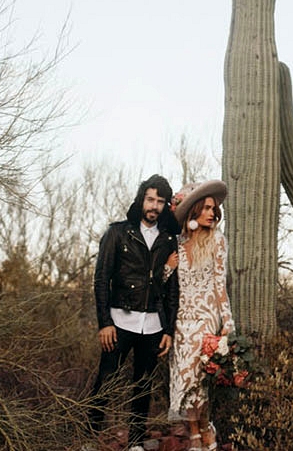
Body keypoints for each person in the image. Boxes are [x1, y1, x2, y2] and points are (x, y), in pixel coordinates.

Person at [88, 174, 181, 451]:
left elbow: (171, 289)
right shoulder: (117, 233)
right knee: (105, 382)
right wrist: (104, 323)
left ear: (165, 205)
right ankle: (87, 439)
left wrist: (169, 330)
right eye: (150, 199)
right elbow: (101, 280)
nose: (154, 205)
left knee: (143, 387)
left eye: (160, 201)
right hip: (119, 321)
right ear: (141, 199)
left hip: (153, 325)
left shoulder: (168, 240)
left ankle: (137, 443)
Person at [167, 180, 232, 451]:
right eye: (205, 208)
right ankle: (194, 432)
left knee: (200, 379)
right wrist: (167, 269)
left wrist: (227, 325)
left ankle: (205, 426)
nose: (211, 213)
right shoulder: (178, 244)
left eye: (213, 209)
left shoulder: (217, 241)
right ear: (193, 211)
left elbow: (220, 286)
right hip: (181, 320)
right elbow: (166, 285)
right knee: (184, 379)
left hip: (206, 318)